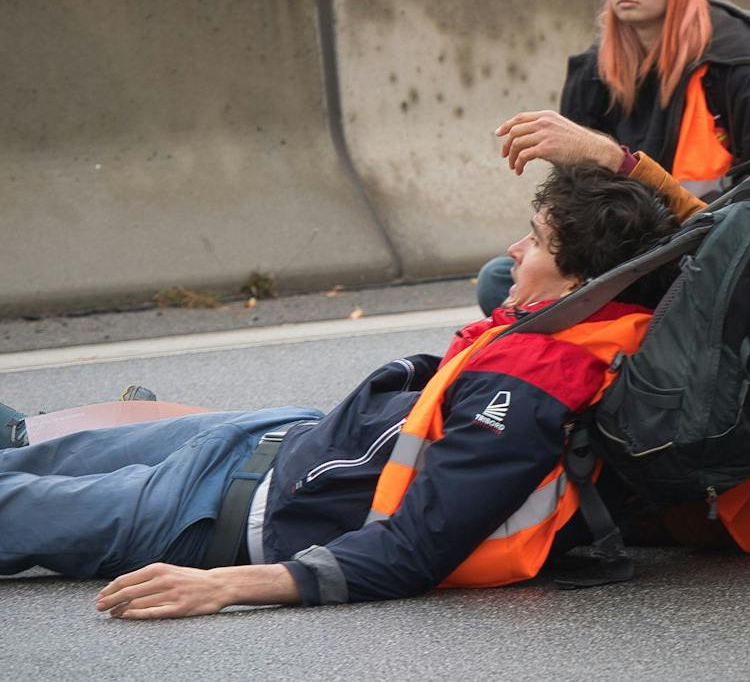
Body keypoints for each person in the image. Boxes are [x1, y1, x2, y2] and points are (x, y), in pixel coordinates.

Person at [1, 162, 680, 619]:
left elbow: (413, 547)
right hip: (268, 438)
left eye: (534, 241)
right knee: (31, 449)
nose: (511, 250)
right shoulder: (564, 329)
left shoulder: (529, 395)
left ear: (579, 282)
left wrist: (227, 584)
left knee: (18, 502)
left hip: (219, 510)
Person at [477, 0, 750, 315]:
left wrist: (609, 157)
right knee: (499, 277)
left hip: (725, 258)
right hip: (634, 257)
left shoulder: (742, 67)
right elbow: (576, 215)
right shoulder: (593, 71)